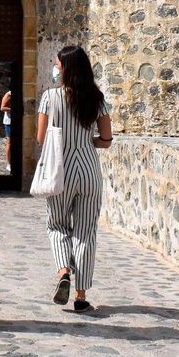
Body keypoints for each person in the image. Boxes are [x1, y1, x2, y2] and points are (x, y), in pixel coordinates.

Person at [37, 44, 113, 312]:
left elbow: (40, 137)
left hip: (61, 170)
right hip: (89, 172)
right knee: (85, 232)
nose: (55, 68)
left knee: (57, 225)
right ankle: (81, 296)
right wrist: (87, 139)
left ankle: (63, 272)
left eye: (58, 64)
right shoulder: (97, 98)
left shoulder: (50, 97)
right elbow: (106, 140)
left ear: (66, 68)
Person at [0, 86, 15, 173]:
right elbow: (2, 108)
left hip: (15, 120)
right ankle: (8, 164)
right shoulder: (9, 94)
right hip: (9, 121)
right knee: (9, 142)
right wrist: (13, 109)